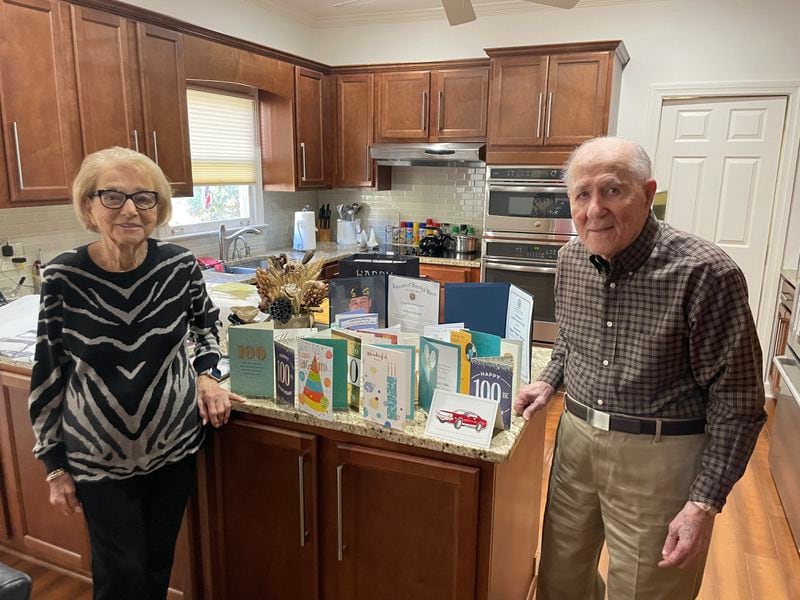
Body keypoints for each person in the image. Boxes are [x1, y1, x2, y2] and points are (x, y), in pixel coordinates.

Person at [514, 137, 765, 599]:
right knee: (560, 580)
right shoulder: (571, 259)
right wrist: (546, 383)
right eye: (581, 194)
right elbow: (571, 339)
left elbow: (739, 402)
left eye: (612, 191)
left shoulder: (705, 273)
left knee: (647, 588)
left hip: (662, 452)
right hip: (576, 440)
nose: (594, 210)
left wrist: (702, 503)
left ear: (648, 194)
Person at [28, 146, 242, 600]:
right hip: (98, 455)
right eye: (113, 196)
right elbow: (49, 368)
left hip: (173, 447)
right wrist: (53, 466)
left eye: (144, 198)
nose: (130, 209)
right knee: (120, 572)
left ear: (158, 207)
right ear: (88, 205)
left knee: (157, 562)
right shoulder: (64, 277)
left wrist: (207, 376)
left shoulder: (180, 267)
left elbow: (206, 330)